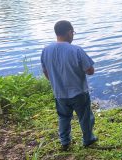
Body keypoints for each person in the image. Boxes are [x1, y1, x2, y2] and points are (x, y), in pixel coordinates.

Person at [40, 20, 97, 150]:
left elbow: (45, 71)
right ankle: (88, 139)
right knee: (85, 117)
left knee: (64, 117)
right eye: (73, 32)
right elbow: (90, 71)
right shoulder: (76, 50)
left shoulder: (46, 50)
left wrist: (55, 83)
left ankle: (65, 142)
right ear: (70, 32)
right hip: (79, 92)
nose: (73, 35)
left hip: (59, 93)